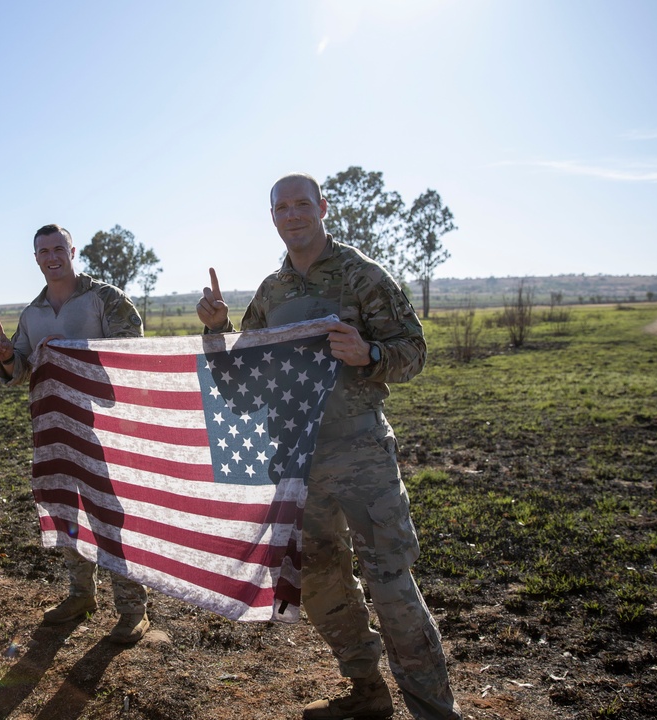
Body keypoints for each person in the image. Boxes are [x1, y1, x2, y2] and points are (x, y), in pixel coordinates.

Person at [196, 174, 462, 720]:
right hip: (296, 459)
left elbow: (413, 350)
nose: (293, 215)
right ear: (273, 217)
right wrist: (218, 331)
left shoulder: (362, 276)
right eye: (282, 207)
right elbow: (242, 388)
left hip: (360, 452)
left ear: (321, 207)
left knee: (391, 586)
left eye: (302, 204)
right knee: (317, 578)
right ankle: (366, 691)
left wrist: (368, 354)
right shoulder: (271, 293)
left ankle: (435, 712)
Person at [0, 223, 150, 644]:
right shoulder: (32, 313)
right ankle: (81, 595)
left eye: (58, 248)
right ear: (36, 258)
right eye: (43, 251)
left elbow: (132, 350)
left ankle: (133, 610)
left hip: (104, 426)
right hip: (53, 427)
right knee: (66, 508)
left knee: (110, 514)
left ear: (72, 250)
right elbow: (21, 370)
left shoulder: (105, 299)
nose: (52, 257)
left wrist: (76, 354)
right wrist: (9, 358)